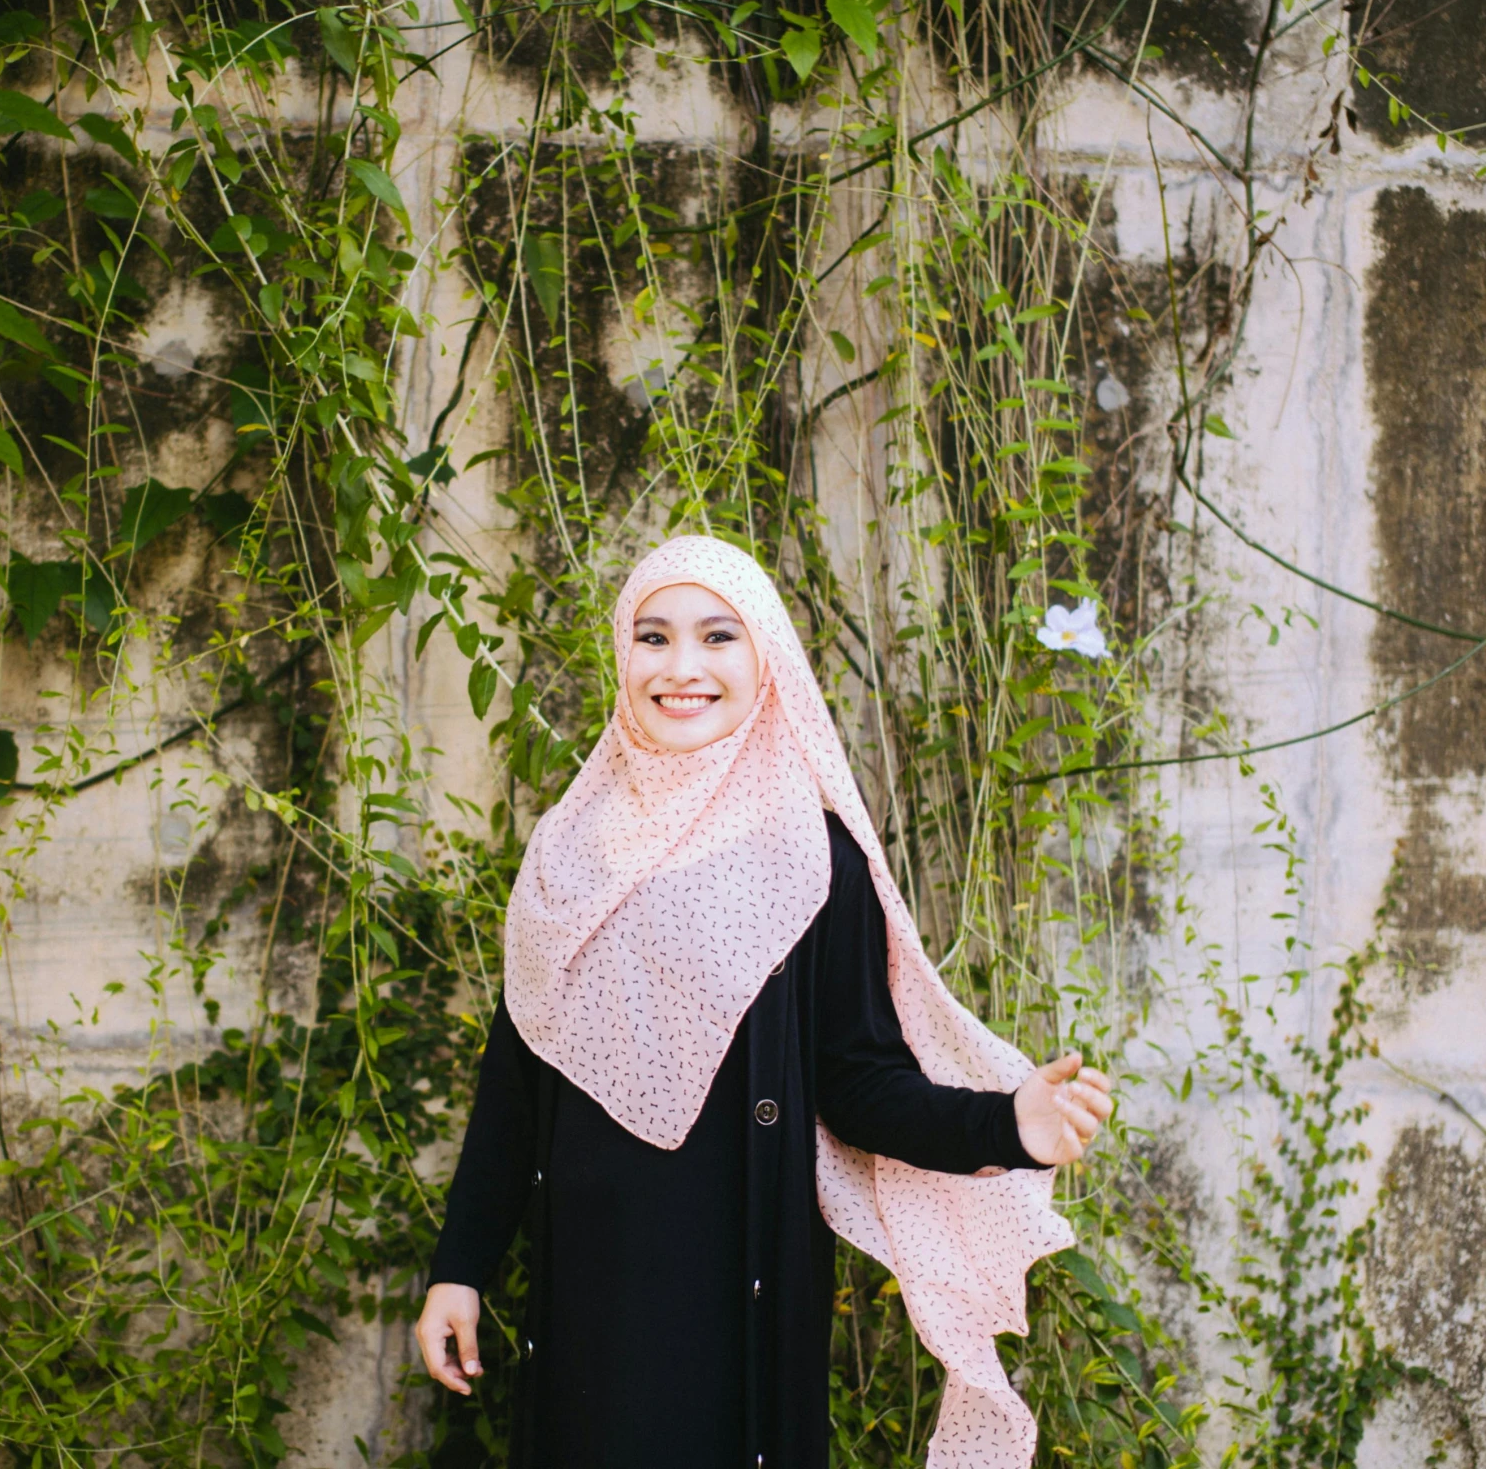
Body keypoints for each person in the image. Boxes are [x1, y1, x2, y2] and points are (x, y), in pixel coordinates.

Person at [413, 536, 1115, 1469]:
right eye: (653, 637)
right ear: (622, 654)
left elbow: (858, 1082)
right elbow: (516, 1079)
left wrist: (1006, 1126)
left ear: (766, 660)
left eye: (718, 636)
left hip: (735, 1286)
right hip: (587, 1292)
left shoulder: (812, 857)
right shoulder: (570, 846)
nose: (682, 668)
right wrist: (460, 1267)